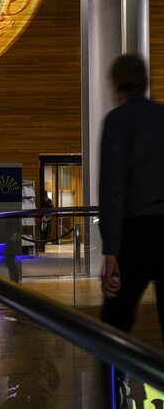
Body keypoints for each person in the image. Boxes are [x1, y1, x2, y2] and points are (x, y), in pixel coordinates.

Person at [99, 53, 164, 339]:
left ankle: (113, 382)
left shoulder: (118, 120)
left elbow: (113, 188)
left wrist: (111, 249)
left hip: (135, 234)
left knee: (114, 324)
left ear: (116, 85)